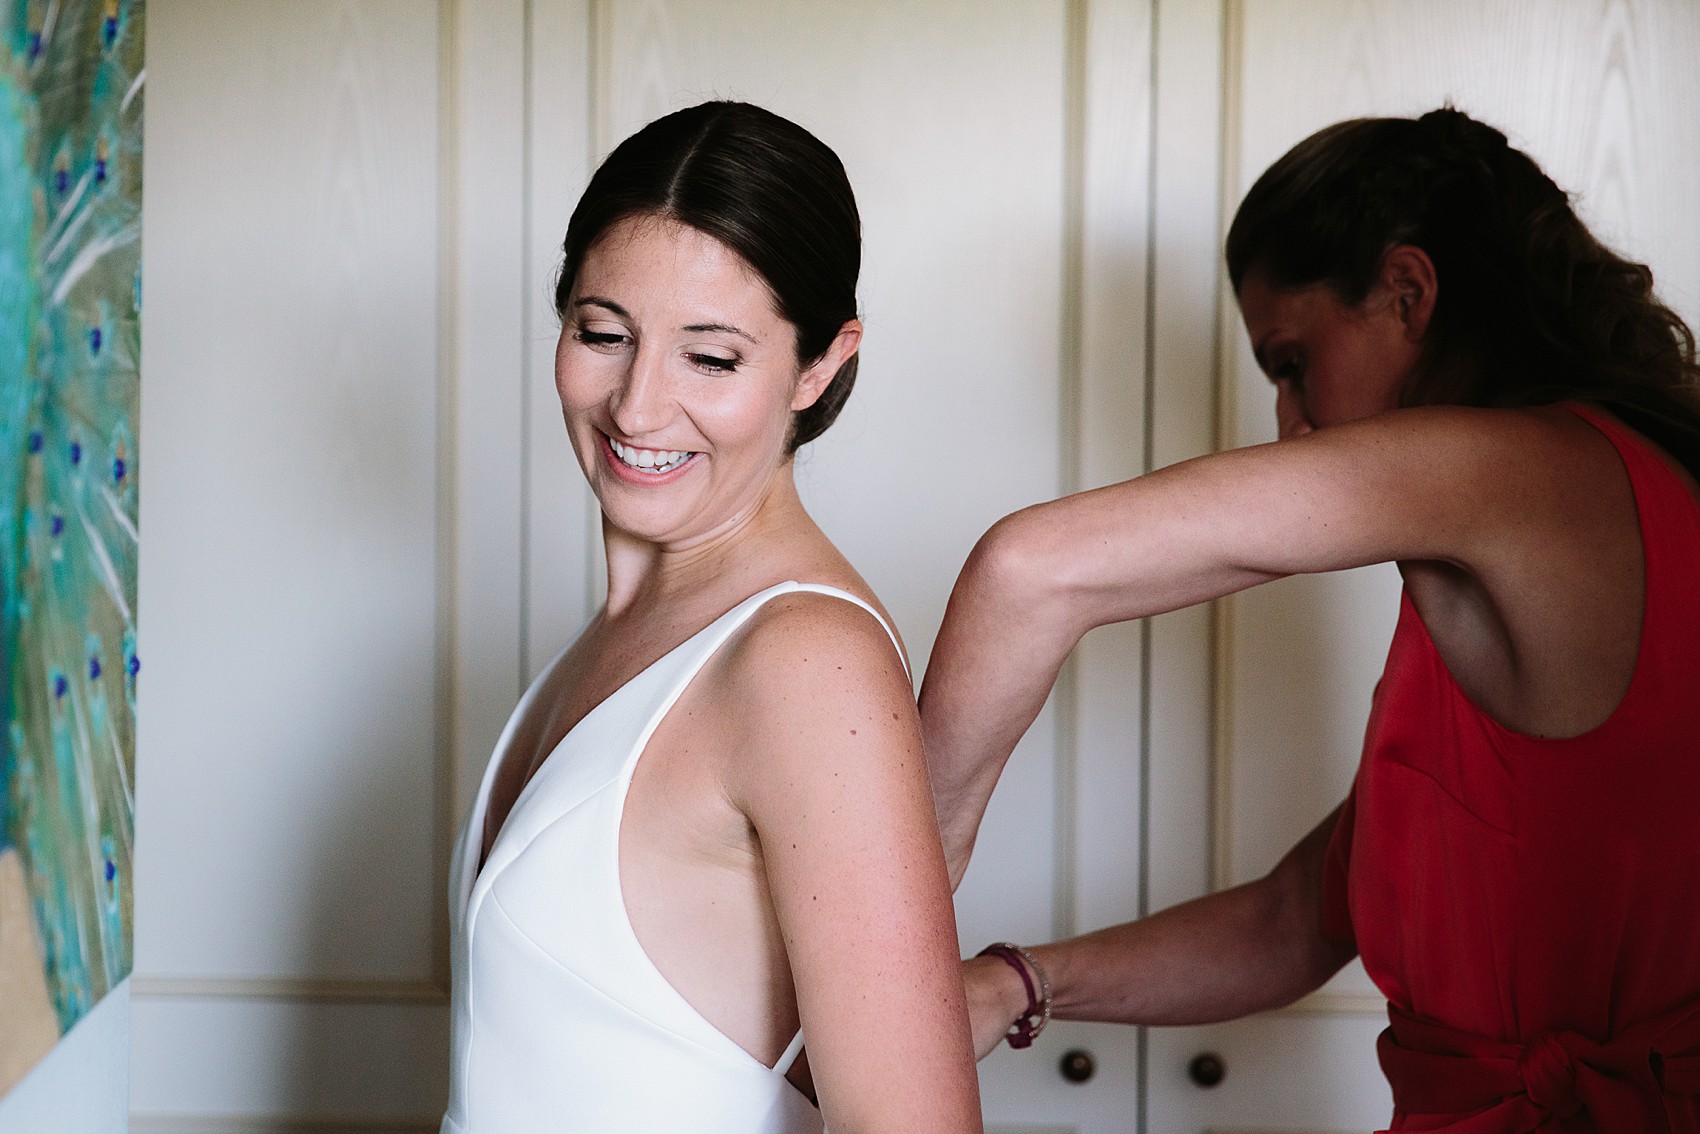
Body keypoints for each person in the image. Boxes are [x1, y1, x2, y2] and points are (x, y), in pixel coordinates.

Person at [923, 108, 1700, 1131]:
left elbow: (1026, 569)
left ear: (1407, 292)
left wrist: (886, 907)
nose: (1288, 423)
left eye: (1290, 363)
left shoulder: (1517, 473)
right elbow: (1296, 921)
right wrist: (1009, 985)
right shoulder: (1481, 561)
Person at [441, 101, 981, 1134]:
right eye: (602, 334)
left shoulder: (804, 664)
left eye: (711, 357)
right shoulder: (626, 628)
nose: (636, 407)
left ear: (818, 365)